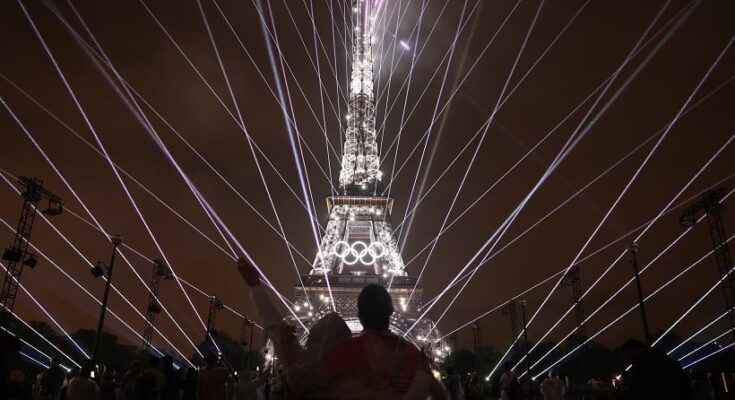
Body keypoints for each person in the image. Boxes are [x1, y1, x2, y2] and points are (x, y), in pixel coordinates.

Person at [619, 339, 694, 400]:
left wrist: (625, 385)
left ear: (633, 348)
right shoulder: (657, 356)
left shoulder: (644, 362)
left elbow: (640, 386)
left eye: (627, 352)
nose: (627, 357)